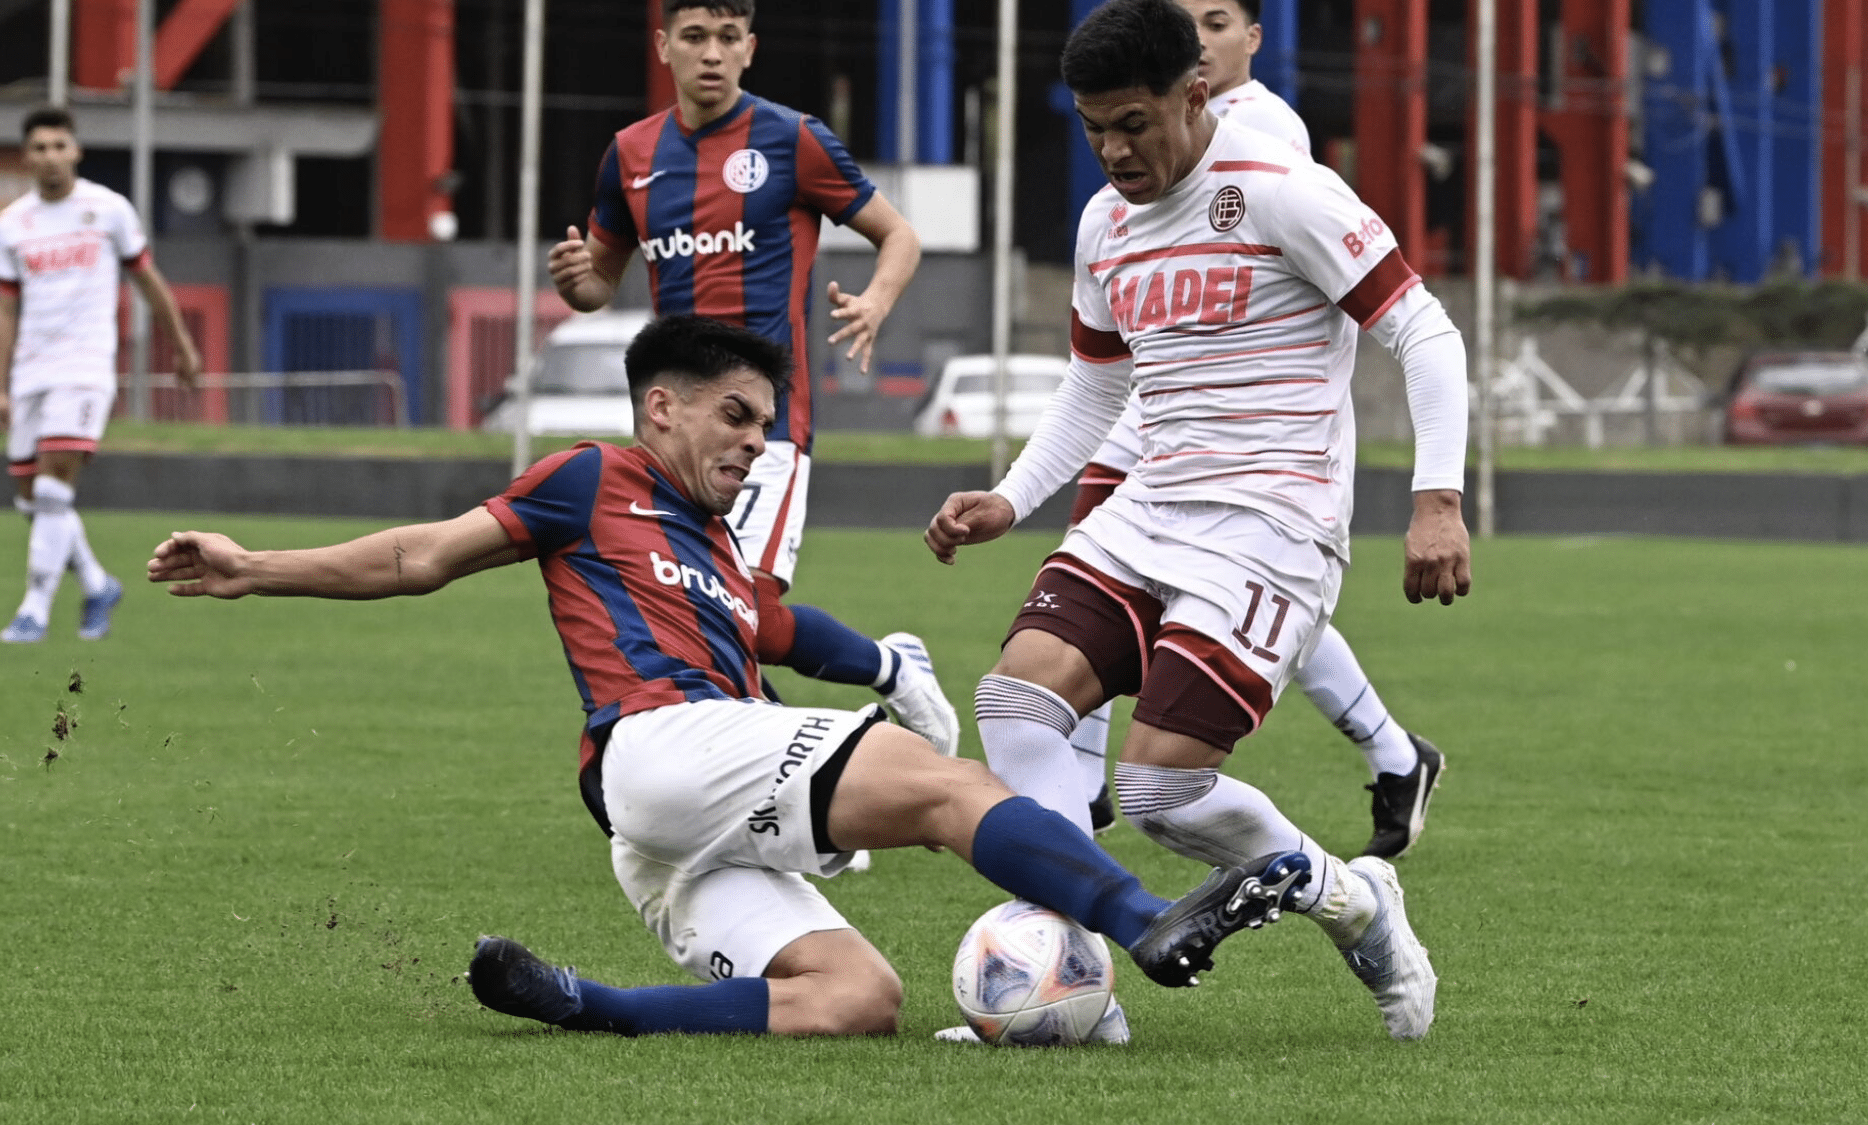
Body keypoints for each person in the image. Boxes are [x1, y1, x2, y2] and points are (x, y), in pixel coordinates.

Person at [148, 313, 1294, 1038]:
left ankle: (581, 1007)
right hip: (661, 745)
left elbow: (794, 633)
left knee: (857, 1001)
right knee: (950, 791)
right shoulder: (589, 480)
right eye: (735, 419)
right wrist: (256, 567)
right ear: (662, 407)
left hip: (658, 832)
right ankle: (1144, 919)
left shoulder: (718, 556)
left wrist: (892, 664)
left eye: (764, 426)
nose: (753, 444)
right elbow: (420, 556)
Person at [925, 0, 1472, 1042]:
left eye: (1133, 123)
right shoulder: (1101, 224)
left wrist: (1434, 499)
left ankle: (1356, 903)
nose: (1113, 152)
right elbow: (1093, 389)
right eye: (1092, 130)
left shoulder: (1280, 190)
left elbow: (1422, 331)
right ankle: (1077, 990)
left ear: (1195, 91)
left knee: (1157, 794)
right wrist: (1008, 496)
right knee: (1014, 705)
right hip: (1151, 505)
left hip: (1272, 520)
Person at [1067, 0, 1444, 859]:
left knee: (1222, 596)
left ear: (1250, 41)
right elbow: (1103, 351)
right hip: (1159, 404)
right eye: (1184, 20)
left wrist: (1437, 495)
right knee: (1093, 593)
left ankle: (1372, 779)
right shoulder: (1132, 158)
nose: (1200, 34)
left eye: (1218, 20)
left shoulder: (1266, 134)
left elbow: (1370, 303)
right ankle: (1079, 789)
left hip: (1255, 431)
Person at [545, 0, 958, 762]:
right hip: (670, 431)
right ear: (663, 45)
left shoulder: (792, 139)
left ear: (750, 49)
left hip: (765, 425)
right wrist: (578, 281)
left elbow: (898, 234)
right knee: (706, 613)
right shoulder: (630, 153)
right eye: (694, 37)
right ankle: (811, 771)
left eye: (727, 38)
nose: (711, 53)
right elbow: (599, 280)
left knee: (754, 619)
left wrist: (874, 302)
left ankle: (880, 690)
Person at [0, 107, 202, 643]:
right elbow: (4, 311)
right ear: (28, 156)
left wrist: (182, 346)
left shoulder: (107, 209)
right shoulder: (12, 223)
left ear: (76, 151)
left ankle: (33, 612)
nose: (50, 156)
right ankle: (97, 583)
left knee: (51, 489)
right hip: (30, 374)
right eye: (39, 148)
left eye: (59, 146)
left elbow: (148, 280)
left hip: (85, 367)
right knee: (30, 499)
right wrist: (1, 384)